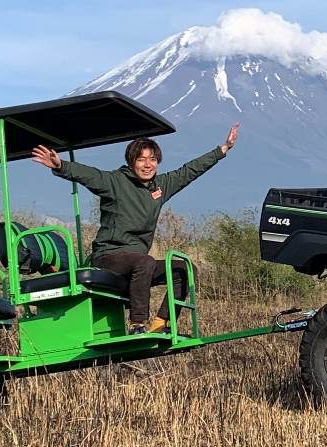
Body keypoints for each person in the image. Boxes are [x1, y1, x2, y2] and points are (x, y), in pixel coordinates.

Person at [30, 123, 239, 335]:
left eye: (152, 159)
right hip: (109, 258)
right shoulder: (115, 182)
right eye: (141, 159)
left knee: (184, 269)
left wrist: (223, 149)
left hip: (138, 264)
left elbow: (189, 171)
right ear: (131, 163)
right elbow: (89, 175)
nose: (147, 165)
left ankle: (161, 324)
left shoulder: (160, 186)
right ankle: (136, 324)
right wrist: (60, 166)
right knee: (144, 261)